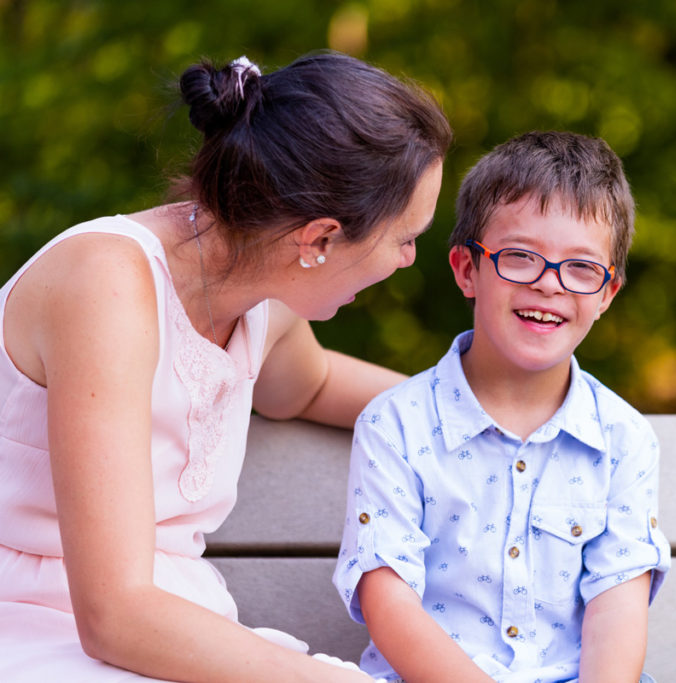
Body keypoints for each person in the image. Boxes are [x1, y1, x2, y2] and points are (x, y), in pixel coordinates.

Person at [0, 51, 451, 682]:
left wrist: (475, 420)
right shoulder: (107, 285)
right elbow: (113, 615)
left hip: (174, 628)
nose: (407, 261)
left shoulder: (265, 300)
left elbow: (310, 386)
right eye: (405, 238)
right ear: (318, 239)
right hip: (38, 624)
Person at [333, 131, 671, 682]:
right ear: (467, 269)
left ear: (608, 293)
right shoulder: (394, 424)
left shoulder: (623, 439)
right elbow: (387, 598)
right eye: (519, 257)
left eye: (582, 268)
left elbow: (618, 603)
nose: (549, 284)